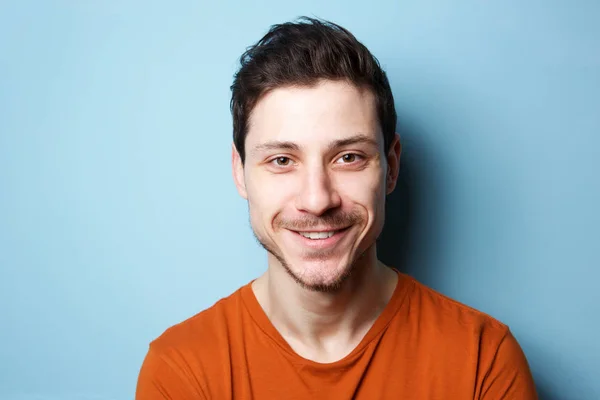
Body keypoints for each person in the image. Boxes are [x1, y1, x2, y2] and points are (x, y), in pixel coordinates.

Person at [135, 17, 538, 399]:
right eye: (281, 160)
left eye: (348, 157)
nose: (317, 200)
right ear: (240, 173)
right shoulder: (182, 370)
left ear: (391, 166)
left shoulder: (482, 360)